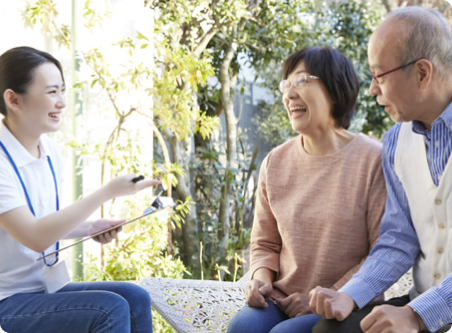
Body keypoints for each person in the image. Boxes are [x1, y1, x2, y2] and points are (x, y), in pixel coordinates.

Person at [309, 6, 452, 333]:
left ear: (422, 73)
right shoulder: (395, 143)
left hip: (430, 308)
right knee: (328, 330)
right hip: (422, 302)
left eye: (379, 75)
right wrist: (350, 295)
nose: (372, 90)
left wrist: (417, 315)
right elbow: (399, 239)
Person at [226, 46, 387, 333]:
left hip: (348, 303)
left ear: (335, 90)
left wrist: (326, 297)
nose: (288, 94)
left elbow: (380, 252)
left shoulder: (374, 160)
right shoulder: (275, 161)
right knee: (244, 327)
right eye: (285, 85)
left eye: (300, 81)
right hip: (281, 300)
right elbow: (264, 243)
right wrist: (260, 279)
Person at [0, 46, 160, 333]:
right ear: (13, 99)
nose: (62, 102)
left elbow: (43, 223)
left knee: (135, 297)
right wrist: (107, 192)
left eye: (63, 90)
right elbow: (34, 237)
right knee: (108, 309)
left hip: (43, 289)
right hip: (6, 300)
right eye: (51, 92)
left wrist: (89, 228)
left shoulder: (47, 149)